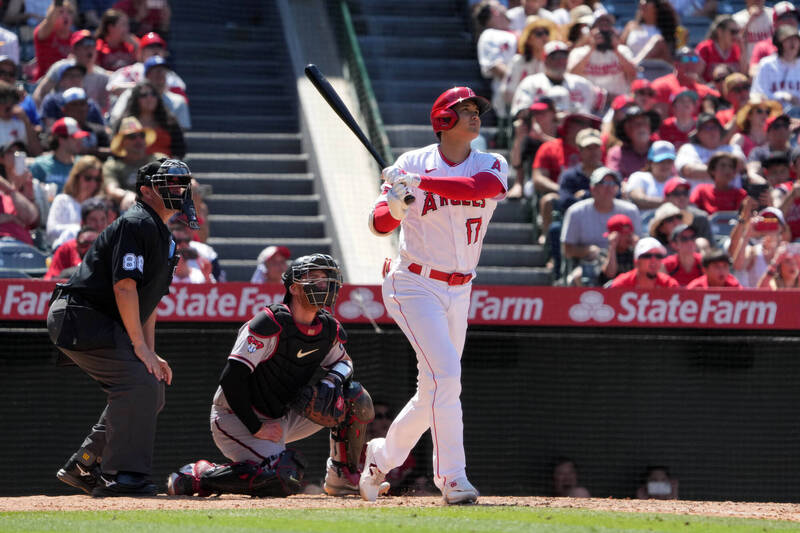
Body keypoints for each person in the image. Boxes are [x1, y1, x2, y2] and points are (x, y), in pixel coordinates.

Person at [361, 87, 508, 505]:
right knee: (447, 378)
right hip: (413, 283)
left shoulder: (491, 163)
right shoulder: (411, 162)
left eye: (476, 110)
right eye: (464, 110)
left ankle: (380, 459)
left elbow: (478, 187)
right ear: (443, 119)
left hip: (460, 288)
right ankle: (453, 478)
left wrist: (418, 184)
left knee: (433, 393)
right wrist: (396, 203)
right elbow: (378, 224)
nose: (474, 116)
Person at [166, 254, 377, 498]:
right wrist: (256, 428)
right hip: (236, 417)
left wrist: (331, 381)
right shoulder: (270, 323)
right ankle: (198, 477)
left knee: (355, 398)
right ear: (294, 288)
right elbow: (231, 378)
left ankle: (342, 476)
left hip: (283, 414)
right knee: (283, 476)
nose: (324, 284)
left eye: (327, 278)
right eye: (315, 277)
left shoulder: (328, 327)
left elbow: (345, 363)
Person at [46, 159, 197, 496]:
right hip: (81, 316)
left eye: (180, 184)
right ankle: (122, 476)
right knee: (137, 382)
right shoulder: (136, 222)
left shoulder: (163, 235)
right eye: (168, 184)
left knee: (151, 384)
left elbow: (148, 303)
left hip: (102, 320)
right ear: (146, 191)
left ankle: (85, 462)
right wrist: (139, 349)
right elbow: (125, 286)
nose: (178, 190)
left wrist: (150, 352)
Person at [561, 167, 641, 277]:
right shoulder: (576, 212)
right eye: (603, 183)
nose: (609, 187)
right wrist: (588, 250)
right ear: (592, 188)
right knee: (578, 276)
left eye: (613, 183)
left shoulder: (630, 210)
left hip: (625, 262)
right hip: (588, 265)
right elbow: (567, 250)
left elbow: (638, 242)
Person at [511, 40, 604, 118]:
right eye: (554, 57)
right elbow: (520, 113)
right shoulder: (531, 83)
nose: (560, 61)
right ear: (545, 60)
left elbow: (598, 109)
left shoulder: (582, 83)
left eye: (563, 57)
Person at [33, 29, 111, 113]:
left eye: (92, 44)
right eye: (84, 44)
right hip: (59, 117)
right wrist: (43, 116)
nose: (89, 48)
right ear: (74, 50)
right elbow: (41, 93)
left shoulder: (103, 77)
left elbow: (104, 108)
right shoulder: (61, 68)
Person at [567, 10, 637, 102]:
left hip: (617, 102)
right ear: (591, 30)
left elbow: (633, 74)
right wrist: (591, 48)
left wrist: (616, 50)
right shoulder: (579, 52)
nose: (603, 32)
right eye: (600, 26)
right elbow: (571, 76)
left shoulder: (623, 50)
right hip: (589, 102)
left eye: (607, 26)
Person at [110, 55, 190, 130]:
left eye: (163, 71)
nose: (160, 75)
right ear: (146, 76)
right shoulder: (129, 95)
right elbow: (115, 119)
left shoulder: (178, 101)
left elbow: (182, 131)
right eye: (156, 71)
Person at [674, 113, 746, 189]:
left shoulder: (731, 148)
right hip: (699, 199)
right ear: (698, 134)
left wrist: (711, 169)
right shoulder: (688, 149)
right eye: (707, 128)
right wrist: (723, 171)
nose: (711, 132)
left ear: (720, 131)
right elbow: (689, 171)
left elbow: (740, 165)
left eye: (714, 127)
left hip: (732, 198)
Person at [474, 0, 517, 123]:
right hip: (510, 95)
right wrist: (521, 81)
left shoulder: (516, 28)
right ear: (494, 11)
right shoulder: (489, 35)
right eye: (499, 5)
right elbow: (495, 66)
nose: (504, 6)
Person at [118, 80, 185, 158]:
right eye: (144, 95)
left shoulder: (170, 122)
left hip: (164, 167)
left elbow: (180, 150)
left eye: (153, 94)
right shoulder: (125, 122)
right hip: (134, 168)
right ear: (136, 99)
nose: (149, 98)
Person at [46, 155, 103, 245]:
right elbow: (51, 231)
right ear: (76, 177)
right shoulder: (62, 200)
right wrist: (79, 230)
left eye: (97, 179)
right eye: (88, 178)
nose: (93, 183)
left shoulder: (99, 204)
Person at [729, 201, 789, 287]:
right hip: (755, 299)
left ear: (782, 227)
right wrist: (747, 235)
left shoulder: (787, 252)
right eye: (765, 221)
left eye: (773, 221)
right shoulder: (753, 250)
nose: (768, 225)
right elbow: (738, 266)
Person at [501, 17, 557, 109]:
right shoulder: (517, 61)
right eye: (539, 34)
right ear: (529, 39)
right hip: (519, 110)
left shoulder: (553, 62)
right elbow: (507, 93)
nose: (544, 37)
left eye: (546, 32)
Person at [103, 116, 157, 207]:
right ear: (122, 142)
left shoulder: (157, 159)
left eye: (142, 135)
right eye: (132, 137)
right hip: (130, 210)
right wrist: (127, 195)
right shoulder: (112, 166)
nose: (138, 140)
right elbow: (112, 190)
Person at [651, 47, 720, 117]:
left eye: (694, 59)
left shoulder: (703, 90)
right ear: (676, 64)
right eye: (685, 59)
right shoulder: (663, 86)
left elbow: (724, 99)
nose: (691, 63)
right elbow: (660, 120)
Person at [30, 117, 88, 194]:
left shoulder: (83, 165)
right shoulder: (39, 165)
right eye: (74, 138)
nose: (80, 141)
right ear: (61, 139)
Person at [606, 105, 660, 181]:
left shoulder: (660, 150)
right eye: (636, 124)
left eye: (644, 123)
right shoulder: (616, 153)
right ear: (627, 130)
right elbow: (613, 181)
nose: (641, 127)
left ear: (650, 127)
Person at [624, 140, 678, 217]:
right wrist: (669, 202)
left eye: (669, 161)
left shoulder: (677, 181)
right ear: (650, 162)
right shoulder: (638, 177)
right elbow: (638, 199)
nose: (665, 165)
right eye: (661, 161)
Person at [751, 26, 800, 107]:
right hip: (773, 113)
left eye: (796, 39)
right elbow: (757, 94)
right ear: (779, 43)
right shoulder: (767, 64)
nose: (793, 44)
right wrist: (782, 96)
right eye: (788, 40)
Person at [620, 0, 679, 64]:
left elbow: (668, 55)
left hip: (656, 69)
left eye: (647, 1)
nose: (642, 3)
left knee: (658, 41)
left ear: (657, 7)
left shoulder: (666, 30)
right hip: (631, 67)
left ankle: (635, 64)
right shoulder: (631, 26)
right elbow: (619, 46)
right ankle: (634, 65)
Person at [749, 2, 799, 75]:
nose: (791, 21)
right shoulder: (763, 46)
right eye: (785, 17)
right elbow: (753, 72)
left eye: (794, 17)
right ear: (775, 23)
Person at [33, 0, 76, 81]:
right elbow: (49, 21)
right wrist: (57, 5)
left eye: (69, 12)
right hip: (44, 82)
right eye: (61, 12)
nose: (65, 15)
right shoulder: (45, 34)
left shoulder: (75, 38)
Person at [610, 236, 679, 287]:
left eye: (658, 256)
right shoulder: (621, 284)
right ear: (636, 262)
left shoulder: (669, 285)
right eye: (647, 256)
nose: (654, 260)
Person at [695, 16, 745, 83]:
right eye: (733, 32)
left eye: (737, 32)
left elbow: (743, 74)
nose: (736, 36)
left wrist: (743, 50)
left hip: (732, 92)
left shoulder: (737, 49)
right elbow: (696, 75)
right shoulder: (705, 48)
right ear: (720, 31)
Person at [596, 213, 637, 287]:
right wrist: (612, 247)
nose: (627, 237)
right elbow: (610, 273)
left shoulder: (633, 253)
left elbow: (642, 273)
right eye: (623, 234)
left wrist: (637, 248)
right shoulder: (603, 253)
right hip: (610, 293)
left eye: (629, 234)